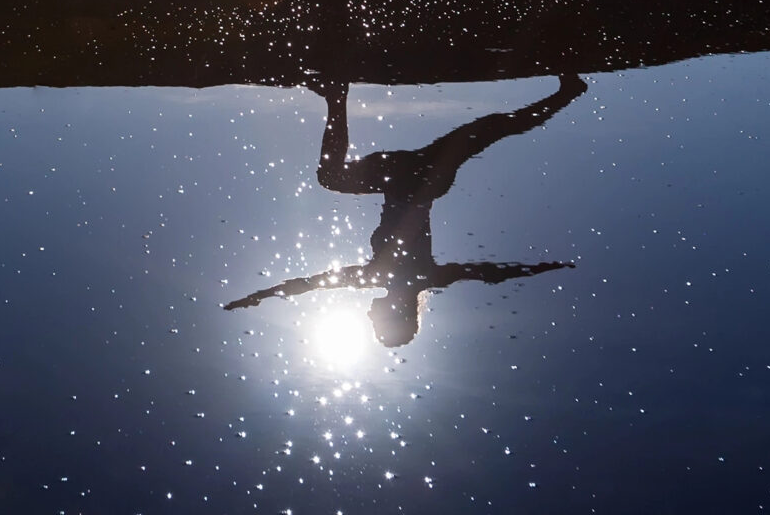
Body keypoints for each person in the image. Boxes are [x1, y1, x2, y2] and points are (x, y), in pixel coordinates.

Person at [224, 74, 587, 347]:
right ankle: (568, 93)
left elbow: (311, 284)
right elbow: (490, 272)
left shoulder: (388, 278)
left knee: (332, 177)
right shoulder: (414, 278)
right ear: (395, 316)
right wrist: (543, 268)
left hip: (399, 179)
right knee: (490, 128)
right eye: (376, 321)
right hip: (421, 180)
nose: (368, 313)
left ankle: (337, 95)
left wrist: (264, 295)